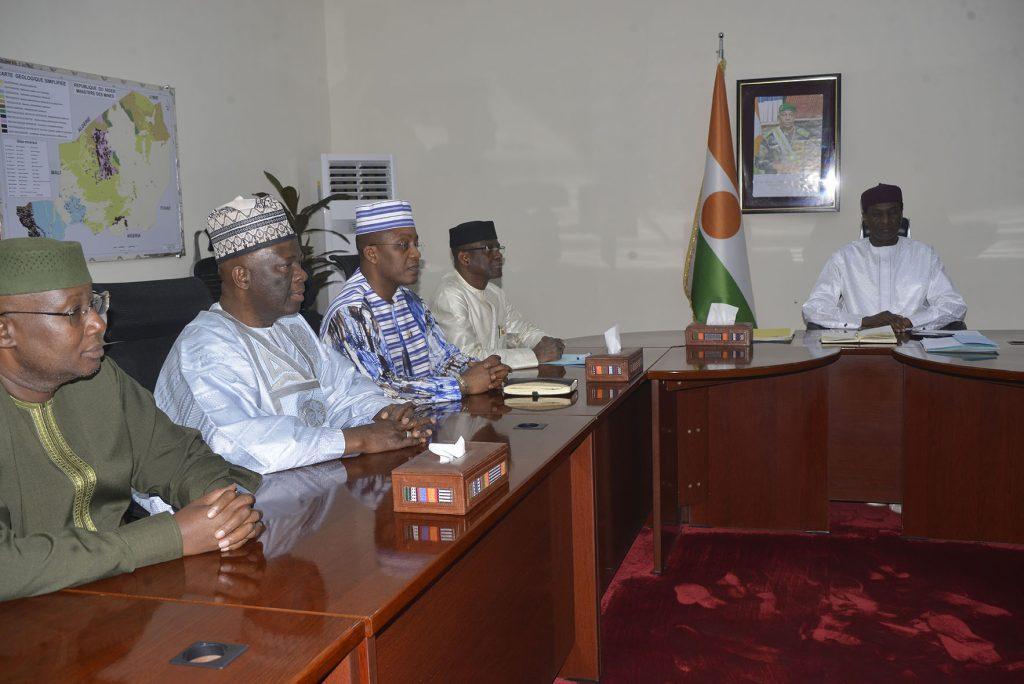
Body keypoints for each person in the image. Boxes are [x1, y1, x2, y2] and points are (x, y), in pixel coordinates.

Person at [0, 237, 263, 601]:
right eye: (73, 312)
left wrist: (220, 506)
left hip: (124, 599)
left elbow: (180, 457)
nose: (98, 323)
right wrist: (168, 537)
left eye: (94, 304)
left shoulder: (99, 379)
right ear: (5, 331)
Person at [150, 196, 431, 487]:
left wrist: (383, 411)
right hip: (229, 505)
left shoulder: (290, 324)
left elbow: (342, 387)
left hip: (306, 484)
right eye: (287, 266)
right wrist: (355, 438)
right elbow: (240, 444)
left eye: (300, 262)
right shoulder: (205, 347)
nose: (302, 275)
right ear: (242, 276)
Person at [320, 200, 510, 403]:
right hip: (370, 430)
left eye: (415, 244)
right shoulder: (351, 312)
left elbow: (443, 358)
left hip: (421, 422)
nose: (416, 254)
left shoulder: (410, 302)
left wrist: (481, 368)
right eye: (403, 245)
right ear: (371, 254)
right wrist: (462, 385)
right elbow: (381, 389)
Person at [802, 183, 967, 332]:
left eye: (892, 213)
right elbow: (814, 308)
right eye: (876, 215)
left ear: (901, 213)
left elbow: (954, 305)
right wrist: (864, 321)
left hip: (913, 346)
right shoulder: (844, 258)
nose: (886, 221)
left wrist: (911, 321)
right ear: (865, 218)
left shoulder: (924, 255)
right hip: (858, 348)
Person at [431, 220, 565, 369]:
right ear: (465, 258)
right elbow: (466, 357)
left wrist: (547, 342)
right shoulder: (450, 295)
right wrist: (534, 356)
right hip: (463, 390)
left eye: (498, 248)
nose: (498, 255)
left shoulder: (494, 293)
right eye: (489, 249)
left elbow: (522, 331)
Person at [754, 102, 816, 175]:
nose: (787, 118)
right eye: (784, 115)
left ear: (794, 117)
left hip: (800, 177)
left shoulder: (805, 136)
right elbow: (758, 161)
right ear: (779, 117)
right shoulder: (769, 137)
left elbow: (814, 156)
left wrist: (803, 165)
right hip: (777, 179)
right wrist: (776, 166)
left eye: (791, 115)